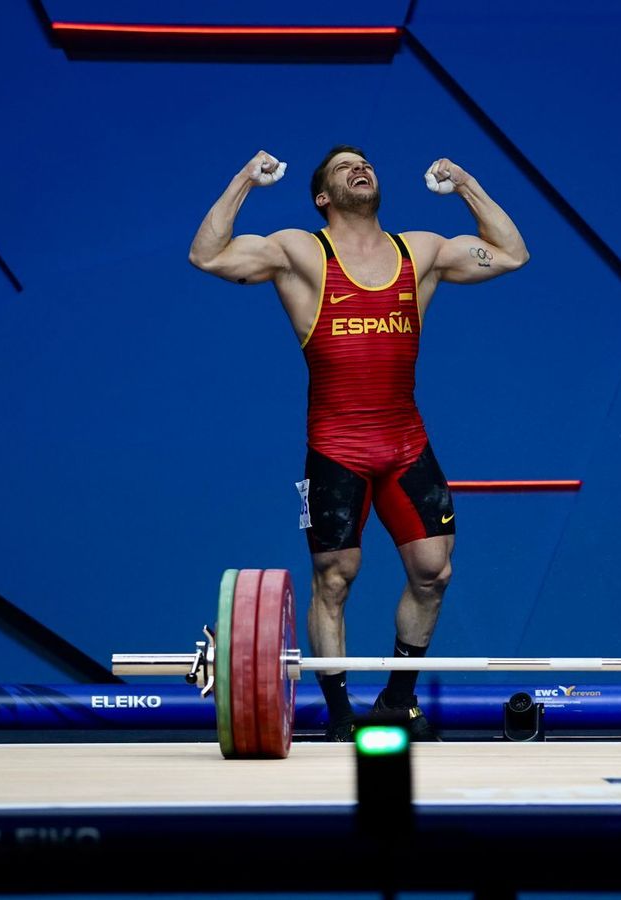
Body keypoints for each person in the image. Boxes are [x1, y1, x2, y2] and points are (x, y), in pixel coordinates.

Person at [188, 146, 529, 739]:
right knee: (335, 576)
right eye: (344, 166)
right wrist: (245, 178)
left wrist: (467, 183)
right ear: (323, 195)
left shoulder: (418, 251)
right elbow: (207, 253)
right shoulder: (299, 251)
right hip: (336, 449)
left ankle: (398, 700)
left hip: (405, 443)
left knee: (434, 570)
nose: (359, 167)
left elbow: (511, 253)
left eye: (365, 162)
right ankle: (341, 714)